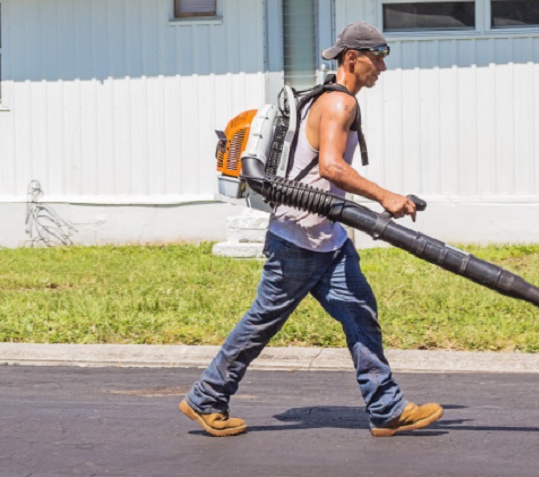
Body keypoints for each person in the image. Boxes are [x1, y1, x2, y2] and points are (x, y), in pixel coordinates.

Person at [180, 21, 443, 437]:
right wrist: (385, 196)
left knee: (361, 314)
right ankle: (206, 397)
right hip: (298, 240)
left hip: (327, 237)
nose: (383, 68)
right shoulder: (340, 104)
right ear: (352, 58)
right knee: (262, 322)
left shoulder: (322, 98)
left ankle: (386, 407)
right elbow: (331, 167)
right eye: (378, 58)